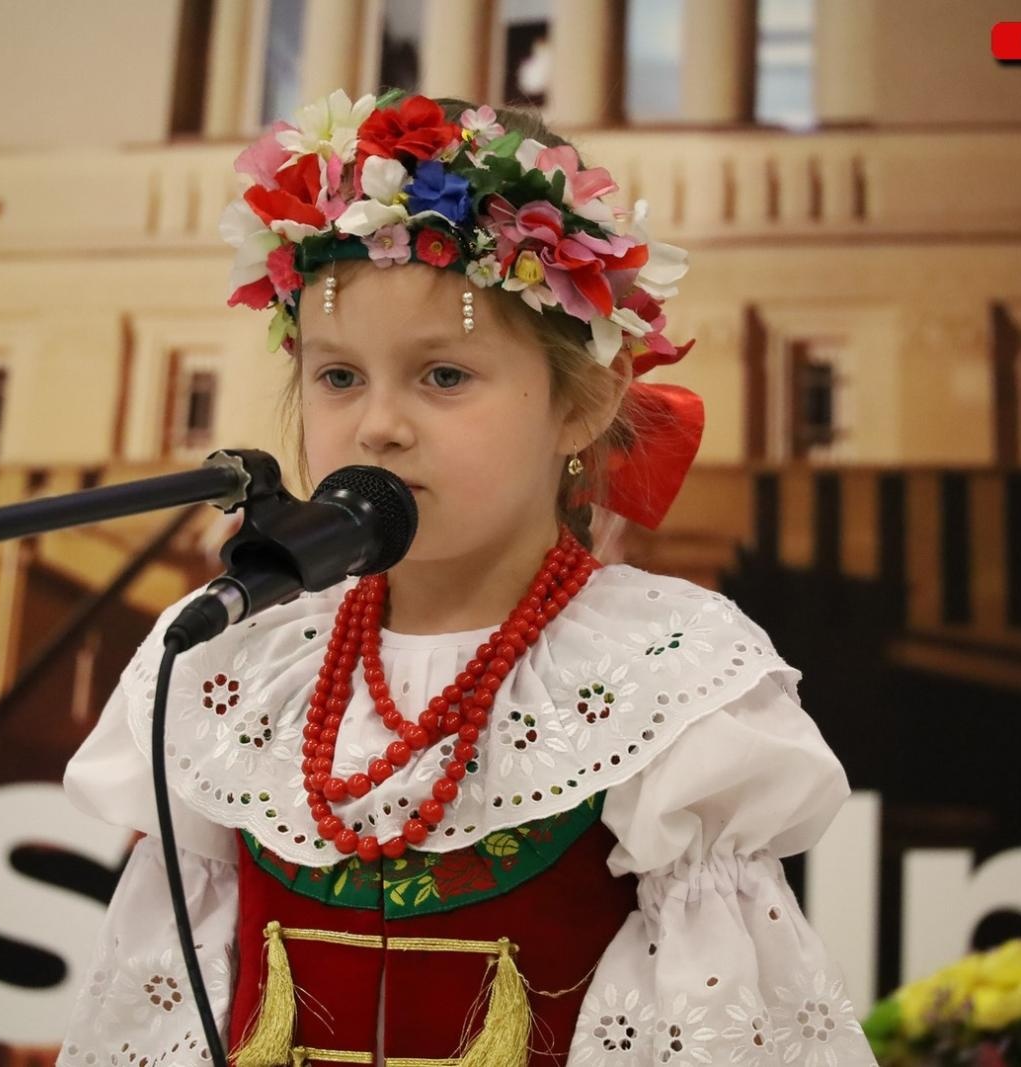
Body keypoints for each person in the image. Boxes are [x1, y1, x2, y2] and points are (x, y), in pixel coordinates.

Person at [58, 89, 876, 1067]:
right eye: (338, 375)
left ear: (585, 404)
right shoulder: (239, 651)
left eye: (443, 376)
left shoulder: (666, 677)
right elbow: (151, 1012)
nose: (378, 425)